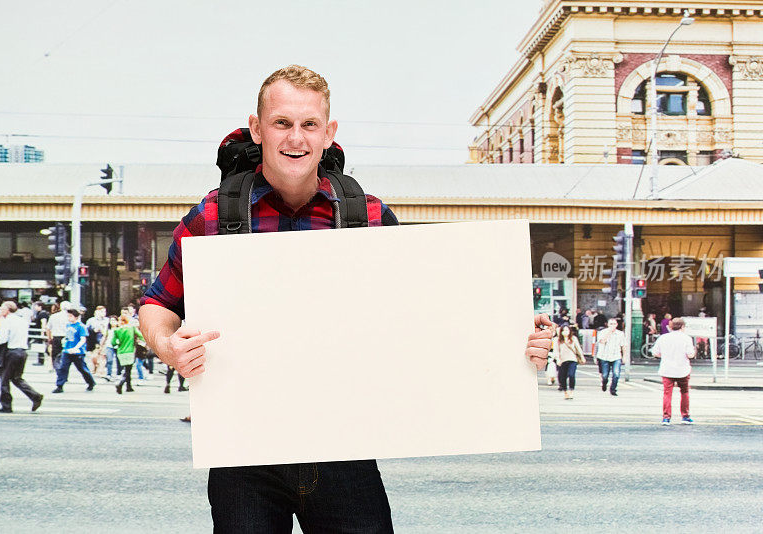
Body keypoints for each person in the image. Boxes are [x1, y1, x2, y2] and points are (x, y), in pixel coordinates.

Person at [137, 64, 554, 533]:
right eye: (282, 123)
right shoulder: (213, 216)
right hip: (244, 456)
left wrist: (513, 331)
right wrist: (169, 347)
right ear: (257, 129)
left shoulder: (367, 215)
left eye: (309, 124)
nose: (296, 137)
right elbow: (157, 305)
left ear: (328, 132)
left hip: (346, 452)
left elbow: (427, 317)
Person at [0, 301, 43, 413]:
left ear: (7, 310)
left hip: (11, 352)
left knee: (4, 379)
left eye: (2, 309)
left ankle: (6, 405)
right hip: (22, 351)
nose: (0, 311)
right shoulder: (22, 321)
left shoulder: (7, 322)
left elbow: (2, 339)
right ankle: (35, 396)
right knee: (17, 378)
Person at [651, 317, 695, 425]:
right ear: (682, 327)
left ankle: (666, 417)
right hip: (682, 369)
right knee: (684, 392)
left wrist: (664, 356)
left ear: (671, 326)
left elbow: (655, 353)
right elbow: (690, 355)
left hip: (667, 369)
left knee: (667, 394)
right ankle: (685, 416)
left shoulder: (663, 338)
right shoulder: (686, 338)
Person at [52, 308, 96, 393]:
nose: (69, 318)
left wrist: (76, 348)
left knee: (82, 368)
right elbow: (68, 336)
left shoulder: (81, 326)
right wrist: (64, 341)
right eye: (68, 316)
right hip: (67, 350)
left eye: (70, 316)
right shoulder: (68, 325)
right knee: (63, 368)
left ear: (76, 317)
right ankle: (60, 385)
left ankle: (90, 382)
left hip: (78, 352)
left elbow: (83, 339)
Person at [111, 316, 144, 394]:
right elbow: (141, 336)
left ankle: (129, 387)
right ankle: (121, 384)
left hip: (121, 352)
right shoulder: (132, 328)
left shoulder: (117, 330)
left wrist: (118, 342)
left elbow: (113, 342)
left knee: (126, 369)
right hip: (130, 352)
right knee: (128, 370)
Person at [596, 318, 626, 396]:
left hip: (616, 356)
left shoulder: (620, 334)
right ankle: (604, 383)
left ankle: (613, 389)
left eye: (614, 324)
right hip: (604, 356)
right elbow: (602, 341)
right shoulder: (602, 332)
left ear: (617, 325)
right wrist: (609, 332)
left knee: (616, 374)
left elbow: (623, 346)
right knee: (605, 375)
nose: (612, 326)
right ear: (607, 325)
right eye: (611, 324)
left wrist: (624, 356)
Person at [553, 324, 585, 400]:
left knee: (571, 375)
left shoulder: (573, 339)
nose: (565, 332)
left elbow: (578, 348)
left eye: (567, 330)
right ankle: (565, 392)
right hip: (562, 360)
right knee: (562, 377)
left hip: (572, 360)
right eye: (563, 330)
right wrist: (558, 359)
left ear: (570, 331)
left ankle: (571, 391)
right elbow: (556, 351)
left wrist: (582, 357)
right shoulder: (557, 340)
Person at [45, 301, 71, 371]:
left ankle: (57, 369)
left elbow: (48, 328)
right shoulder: (71, 317)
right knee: (67, 356)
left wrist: (49, 338)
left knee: (55, 355)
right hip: (68, 338)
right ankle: (64, 371)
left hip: (56, 337)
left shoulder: (53, 316)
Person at [85, 305, 109, 377]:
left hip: (104, 339)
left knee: (102, 356)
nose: (103, 313)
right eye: (101, 311)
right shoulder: (91, 320)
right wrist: (94, 330)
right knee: (94, 356)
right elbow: (86, 330)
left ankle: (101, 370)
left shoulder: (107, 320)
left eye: (104, 311)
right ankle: (95, 366)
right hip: (93, 340)